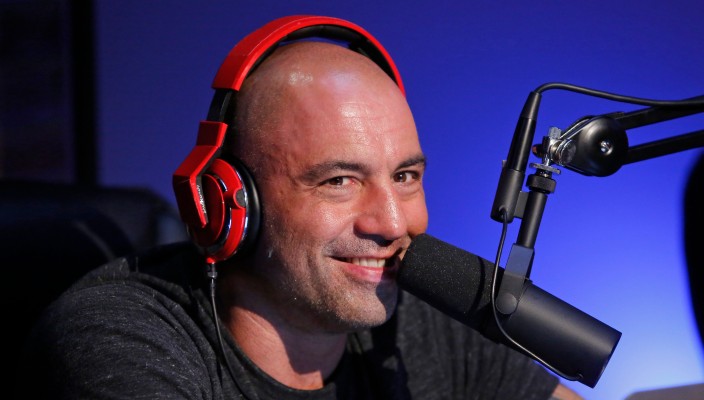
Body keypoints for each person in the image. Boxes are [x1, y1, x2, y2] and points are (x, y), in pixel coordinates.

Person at [17, 15, 583, 399]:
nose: (392, 224)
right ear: (231, 204)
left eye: (406, 176)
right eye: (339, 180)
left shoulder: (412, 321)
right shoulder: (119, 340)